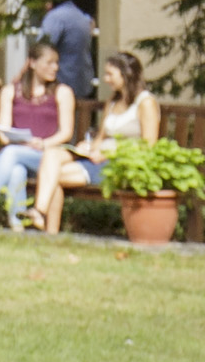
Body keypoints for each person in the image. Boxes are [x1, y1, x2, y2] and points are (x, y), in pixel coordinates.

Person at [37, 50, 159, 233]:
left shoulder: (145, 103)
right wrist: (87, 147)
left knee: (53, 176)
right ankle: (41, 217)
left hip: (119, 163)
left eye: (110, 74)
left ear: (126, 74)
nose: (106, 79)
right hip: (98, 158)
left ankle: (46, 226)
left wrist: (108, 154)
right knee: (52, 154)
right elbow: (101, 137)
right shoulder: (113, 101)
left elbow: (148, 145)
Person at [0, 37, 74, 227]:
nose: (55, 67)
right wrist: (16, 141)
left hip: (47, 156)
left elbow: (66, 133)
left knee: (11, 154)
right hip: (17, 152)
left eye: (56, 63)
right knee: (16, 170)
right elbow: (3, 131)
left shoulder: (62, 92)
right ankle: (18, 227)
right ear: (32, 63)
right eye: (49, 63)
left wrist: (42, 143)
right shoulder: (10, 91)